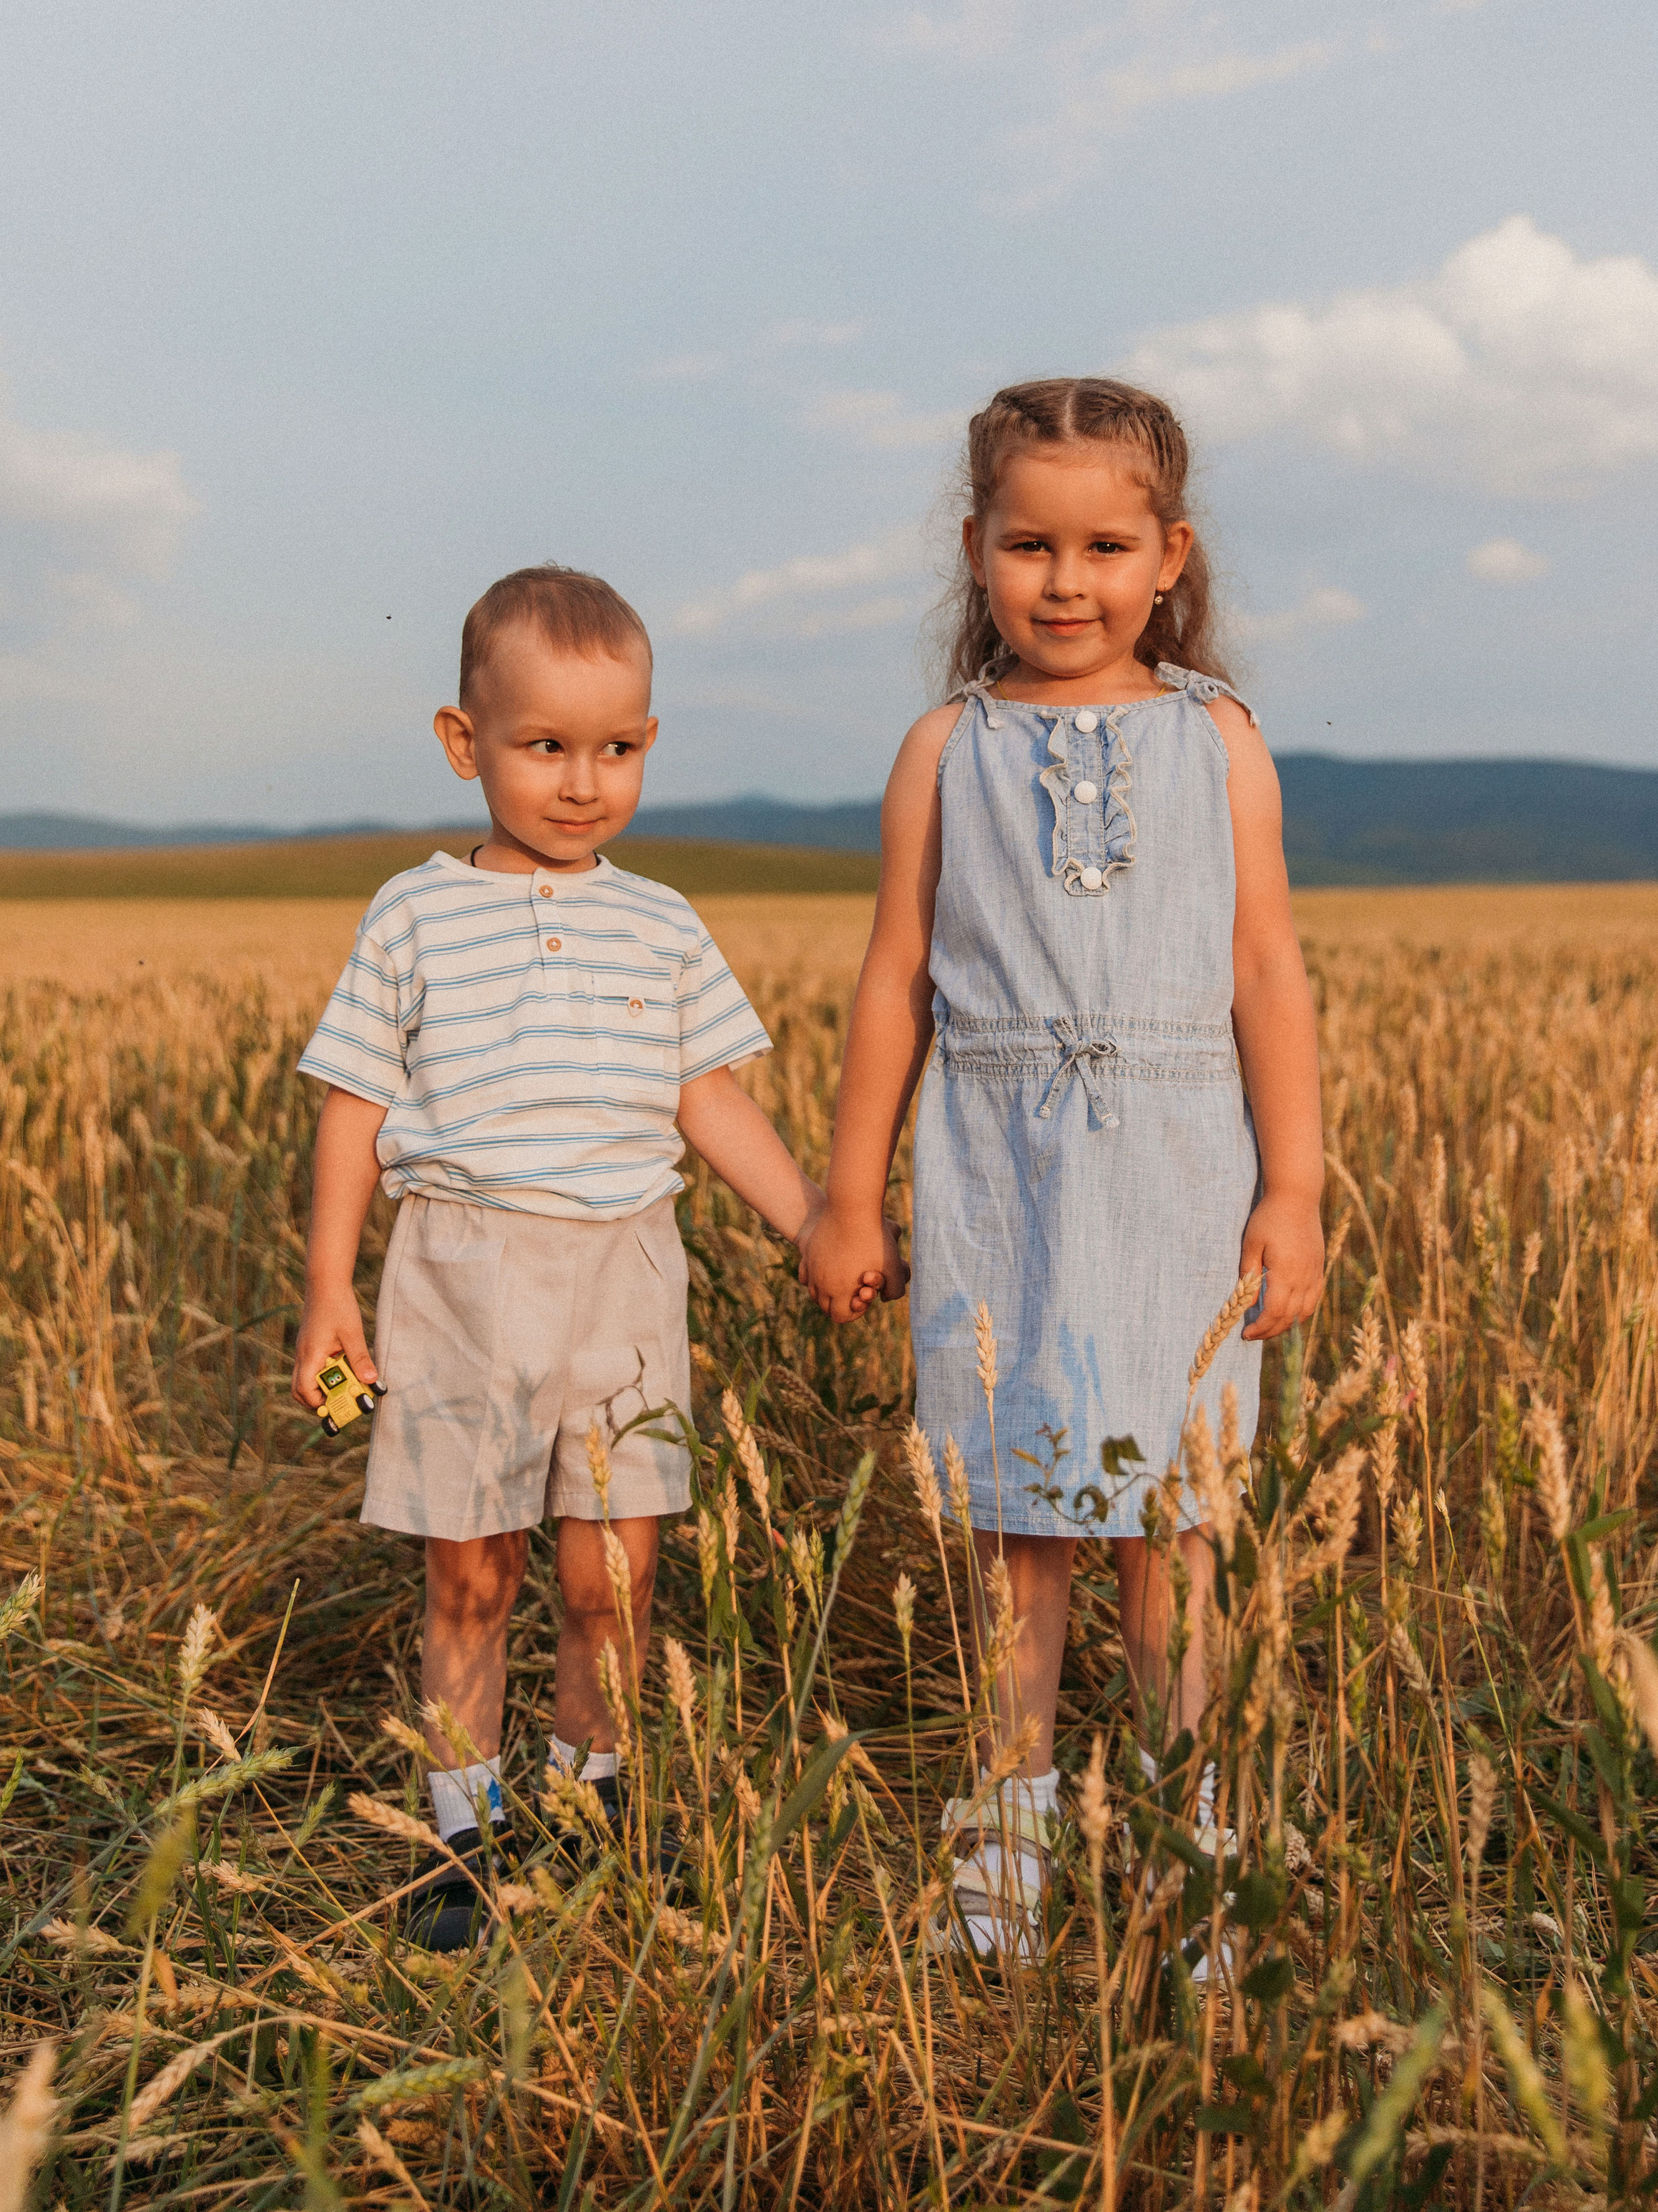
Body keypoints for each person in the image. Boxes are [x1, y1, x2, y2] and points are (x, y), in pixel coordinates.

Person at [802, 379, 1323, 1962]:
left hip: (1177, 1160)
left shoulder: (1216, 738)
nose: (1065, 580)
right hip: (998, 1165)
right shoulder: (941, 747)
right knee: (1018, 1515)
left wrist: (1291, 1187)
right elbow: (895, 976)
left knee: (1176, 1515)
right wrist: (845, 1190)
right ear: (974, 551)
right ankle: (1010, 1816)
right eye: (1029, 544)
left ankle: (1187, 1830)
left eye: (1104, 545)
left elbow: (1263, 969)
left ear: (1167, 556)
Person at [292, 564, 883, 1948]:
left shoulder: (661, 921)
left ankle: (592, 1802)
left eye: (614, 749)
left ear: (650, 747)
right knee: (471, 1571)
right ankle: (462, 1834)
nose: (580, 782)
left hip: (628, 1273)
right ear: (463, 742)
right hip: (459, 1272)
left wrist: (812, 1219)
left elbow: (709, 1099)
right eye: (544, 746)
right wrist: (330, 1287)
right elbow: (354, 1110)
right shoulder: (414, 913)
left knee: (608, 1577)